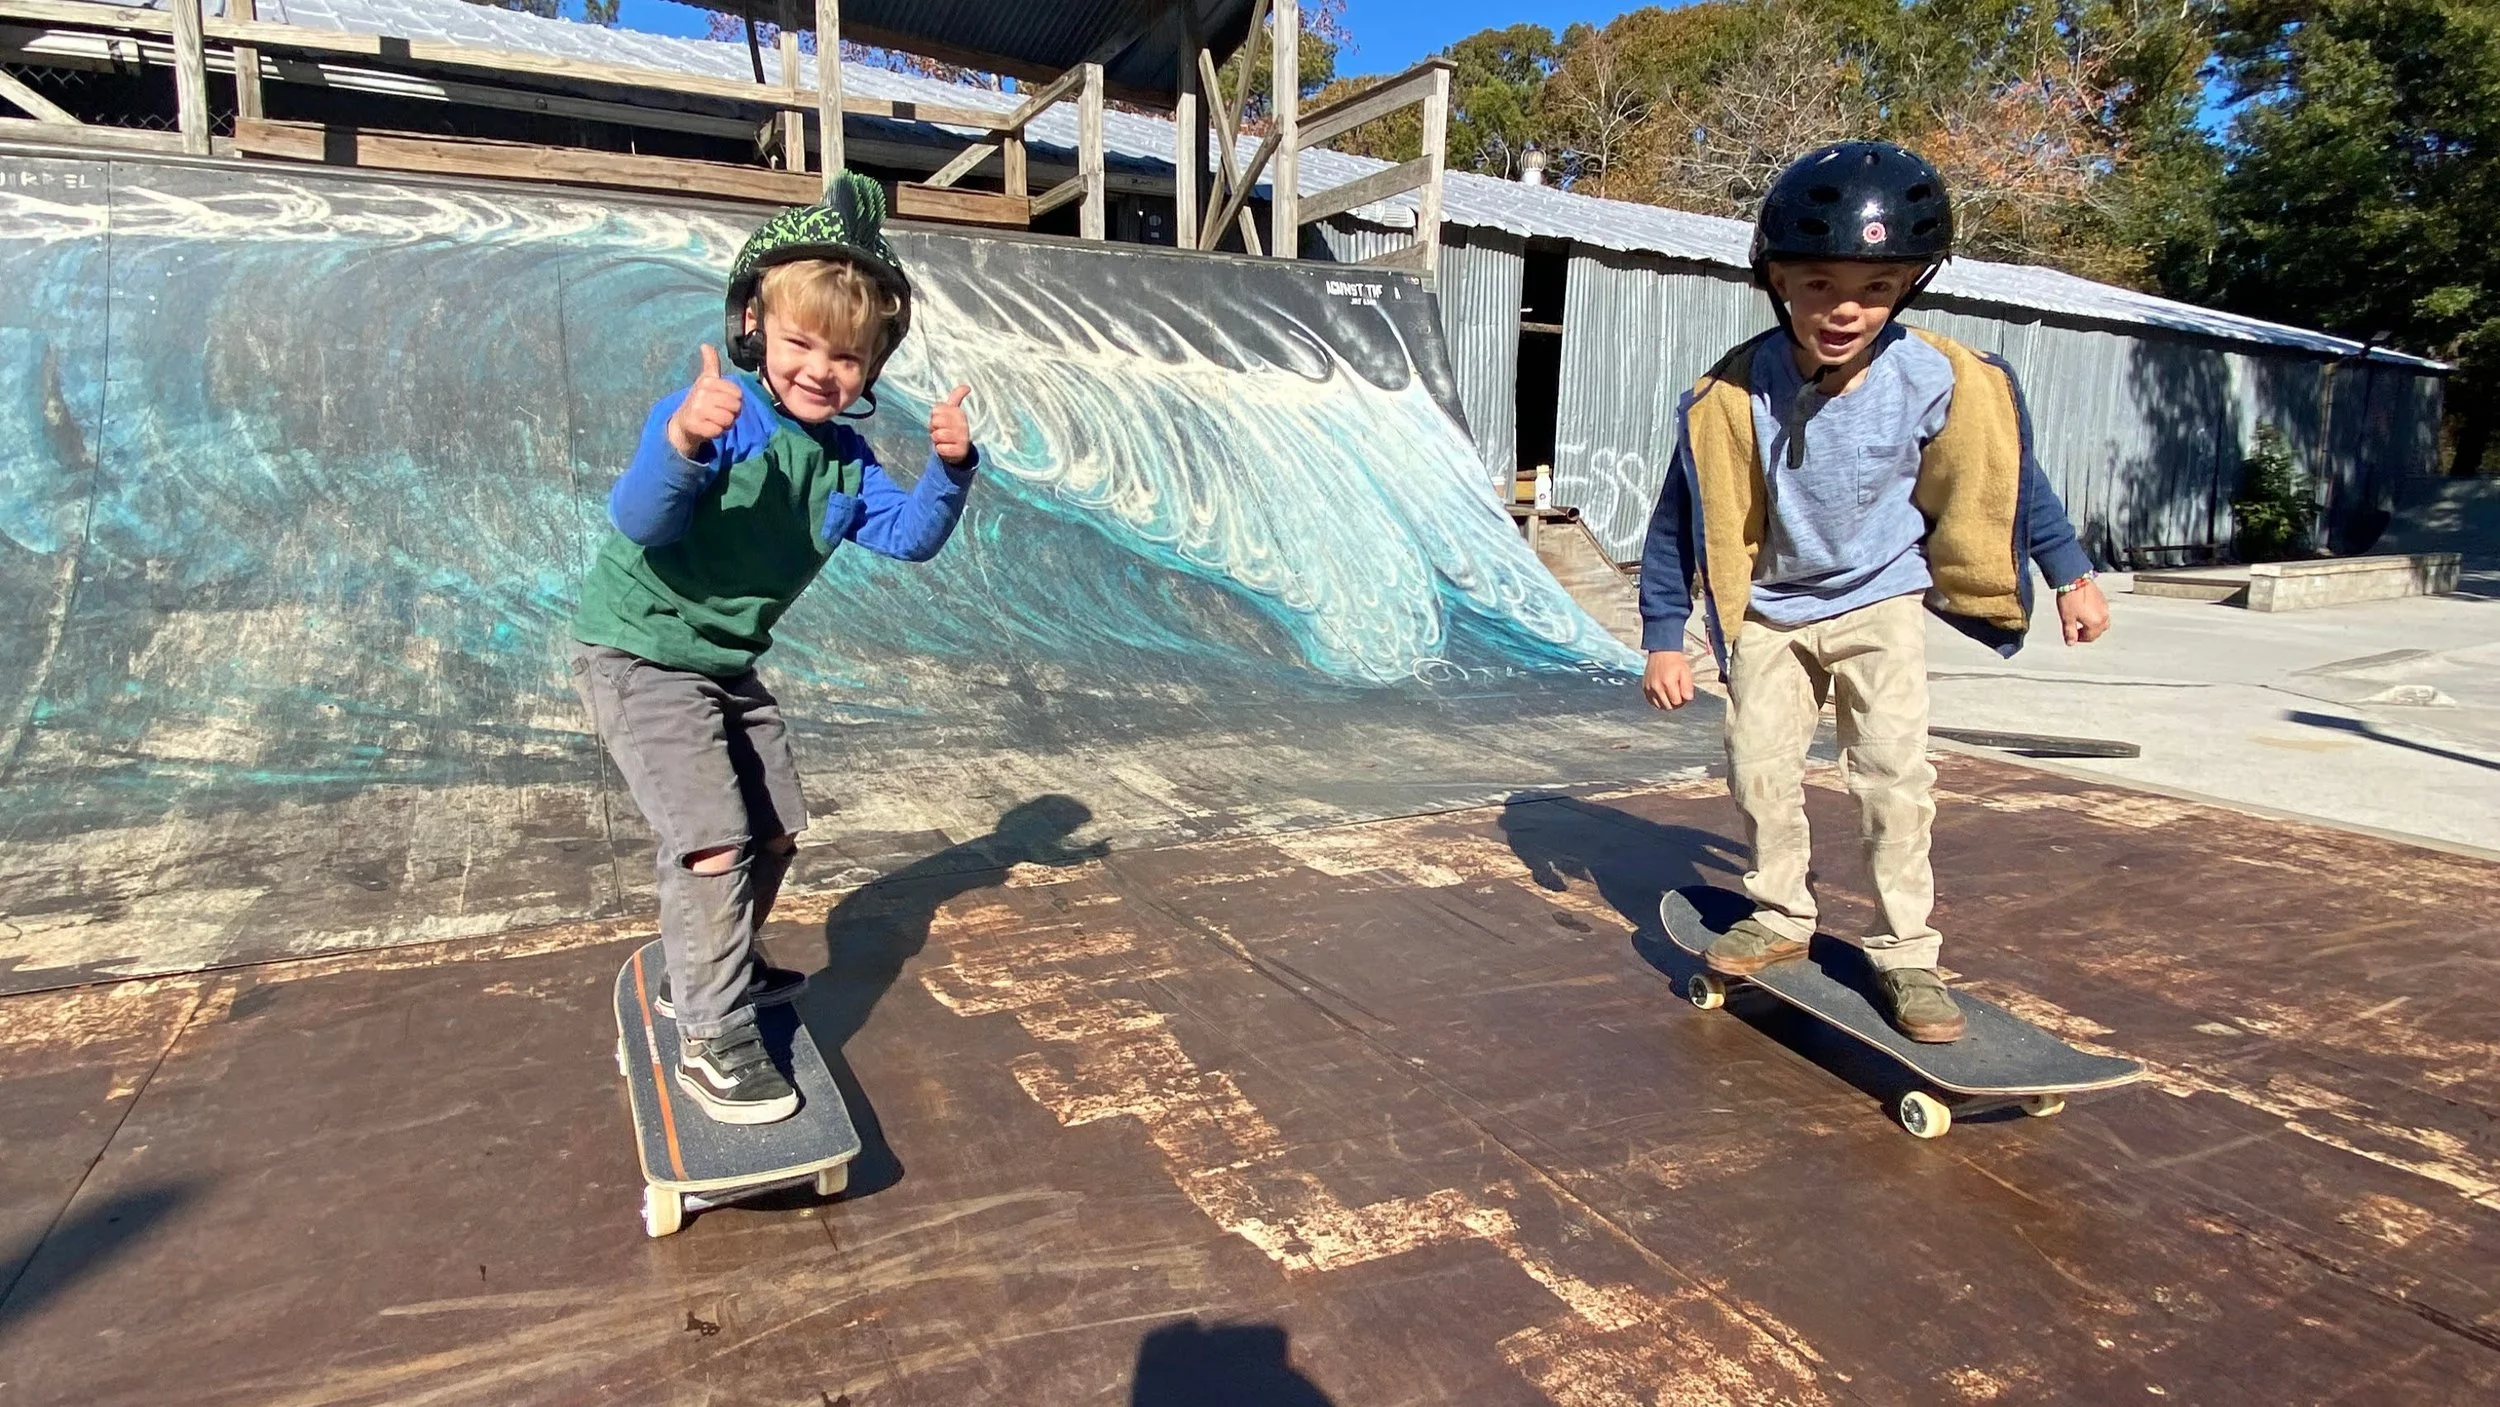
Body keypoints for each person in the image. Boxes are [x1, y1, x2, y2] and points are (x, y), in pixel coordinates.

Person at [1636, 141, 2111, 1043]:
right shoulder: (1733, 392)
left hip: (1880, 604)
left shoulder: (1940, 378)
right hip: (1771, 611)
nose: (1844, 309)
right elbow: (1678, 516)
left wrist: (2071, 573)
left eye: (1875, 287)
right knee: (1759, 768)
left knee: (1894, 777)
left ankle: (1906, 955)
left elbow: (2013, 482)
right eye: (1817, 285)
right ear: (1777, 281)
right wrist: (1665, 630)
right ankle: (1778, 916)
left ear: (1908, 286)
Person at [568, 172, 980, 1121]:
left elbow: (910, 536)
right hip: (638, 651)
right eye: (799, 343)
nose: (819, 370)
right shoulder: (719, 413)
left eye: (845, 356)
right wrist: (677, 440)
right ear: (756, 326)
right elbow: (638, 518)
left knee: (776, 828)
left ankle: (705, 969)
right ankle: (712, 1035)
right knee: (713, 840)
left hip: (721, 663)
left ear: (870, 365)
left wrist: (952, 471)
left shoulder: (845, 459)